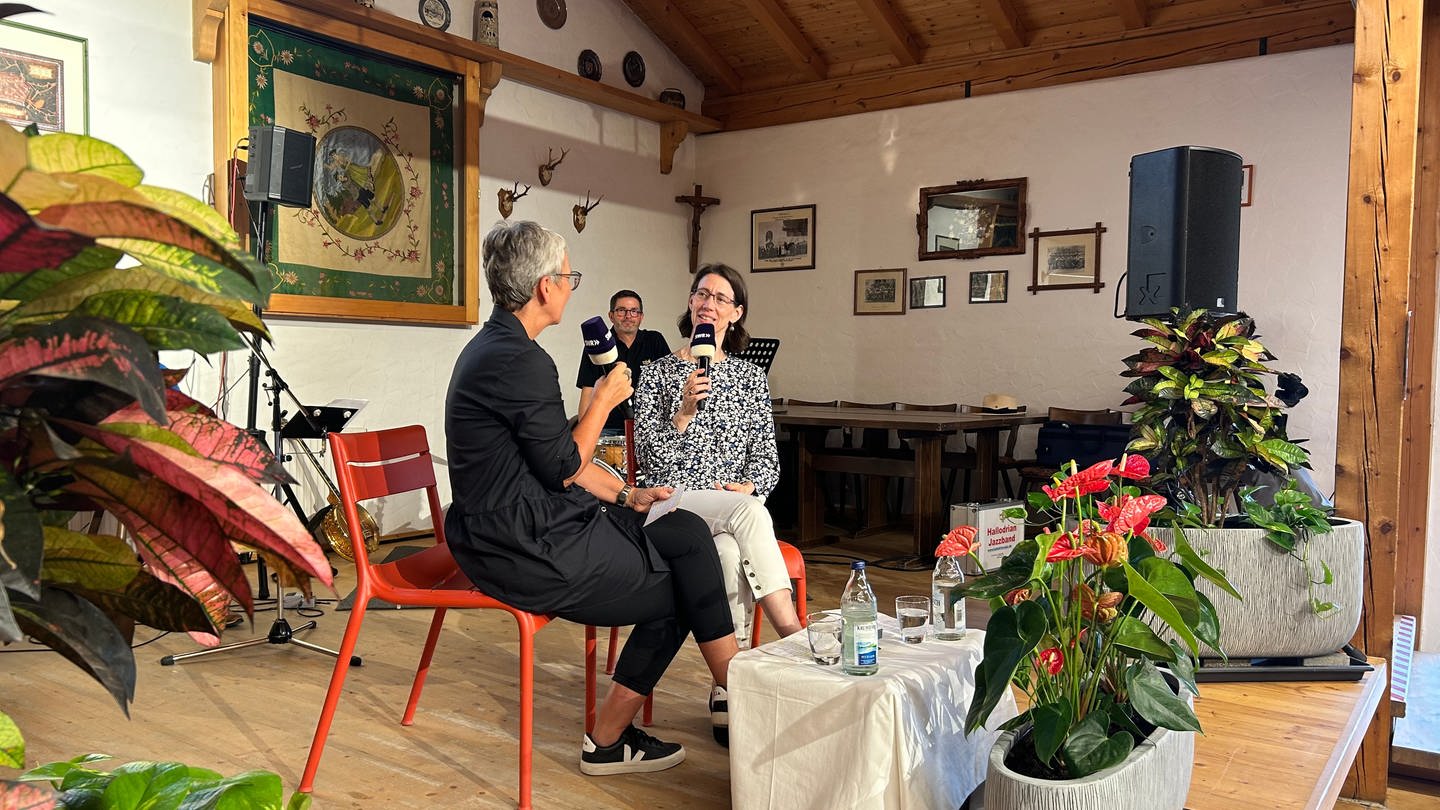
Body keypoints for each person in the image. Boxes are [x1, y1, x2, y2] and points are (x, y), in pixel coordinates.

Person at [444, 221, 739, 774]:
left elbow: (557, 457)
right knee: (684, 584)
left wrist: (629, 494)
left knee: (685, 533)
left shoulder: (503, 348)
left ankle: (730, 694)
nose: (571, 286)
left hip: (531, 522)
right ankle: (625, 735)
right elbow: (562, 466)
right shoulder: (518, 360)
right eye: (567, 276)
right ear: (543, 288)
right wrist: (602, 402)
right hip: (521, 546)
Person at [633, 263, 805, 658]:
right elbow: (649, 461)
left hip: (728, 507)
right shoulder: (656, 374)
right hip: (672, 503)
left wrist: (750, 486)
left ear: (737, 312)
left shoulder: (750, 379)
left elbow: (766, 460)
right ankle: (794, 634)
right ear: (691, 302)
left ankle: (727, 685)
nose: (709, 304)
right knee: (746, 514)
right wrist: (684, 414)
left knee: (729, 553)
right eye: (702, 294)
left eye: (720, 298)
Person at [576, 289, 671, 436]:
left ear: (641, 317)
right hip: (607, 430)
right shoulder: (598, 345)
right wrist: (584, 437)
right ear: (611, 316)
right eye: (621, 311)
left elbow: (670, 388)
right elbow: (587, 393)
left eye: (634, 311)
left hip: (648, 429)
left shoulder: (655, 340)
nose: (628, 316)